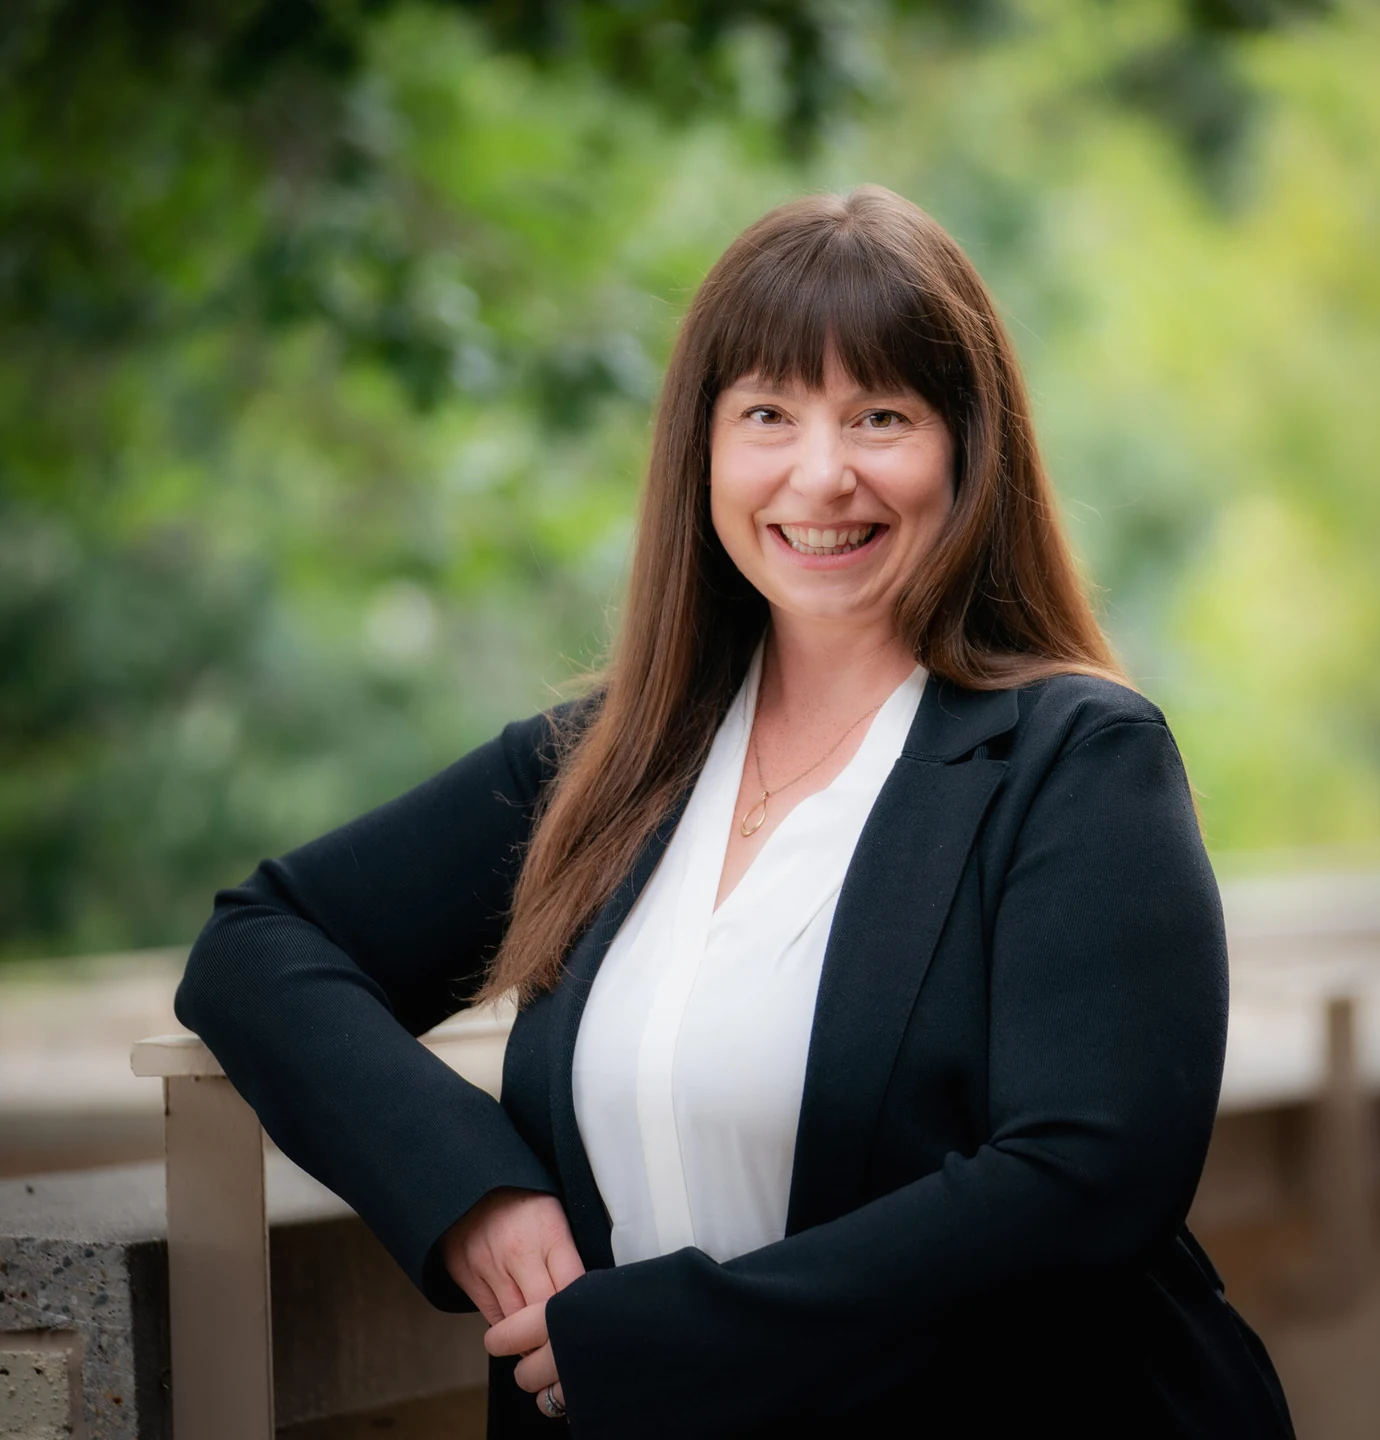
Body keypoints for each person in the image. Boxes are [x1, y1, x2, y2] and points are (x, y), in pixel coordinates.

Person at [175, 185, 1294, 1438]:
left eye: (881, 415)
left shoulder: (1077, 762)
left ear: (969, 451)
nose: (822, 476)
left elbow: (1087, 1180)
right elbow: (259, 947)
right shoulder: (607, 763)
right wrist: (474, 1193)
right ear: (702, 449)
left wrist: (668, 1345)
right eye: (768, 413)